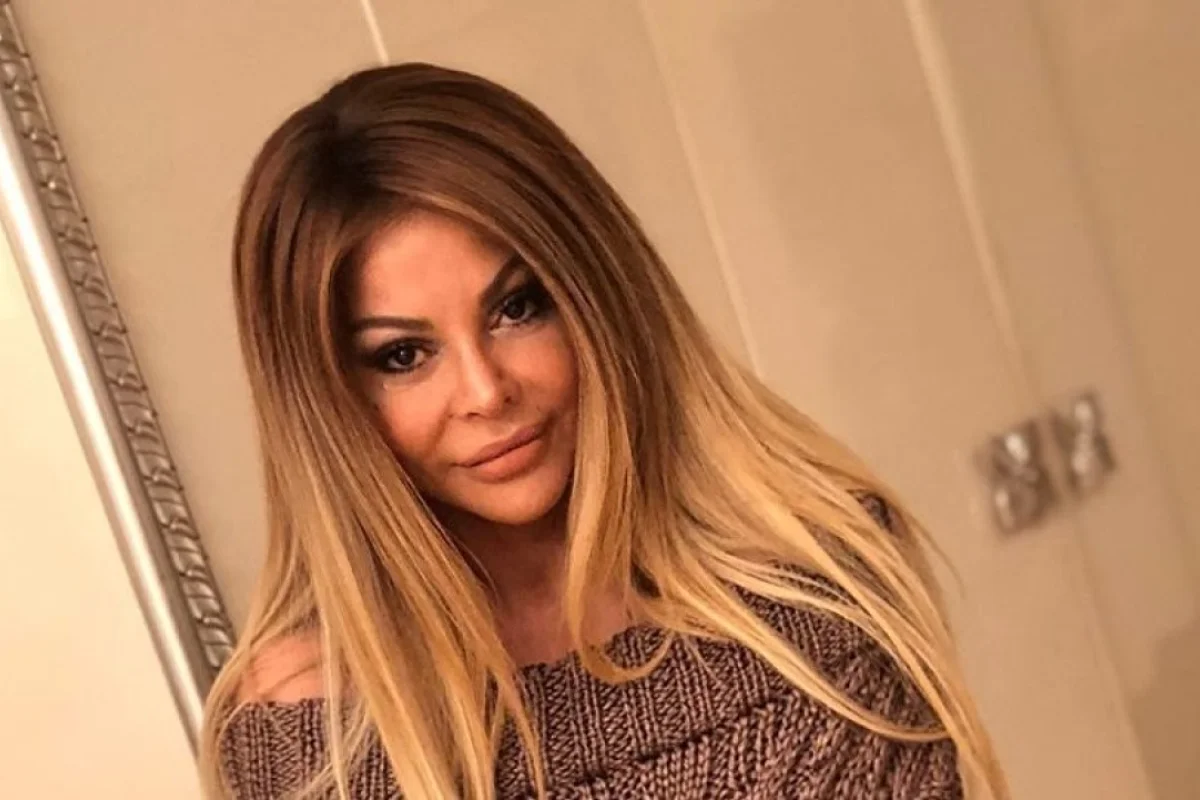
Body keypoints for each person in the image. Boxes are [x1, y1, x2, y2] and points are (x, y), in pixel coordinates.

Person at [200, 63, 1006, 800]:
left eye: (517, 308)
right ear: (326, 405)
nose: (485, 391)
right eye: (404, 355)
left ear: (598, 293)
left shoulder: (809, 595)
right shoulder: (306, 736)